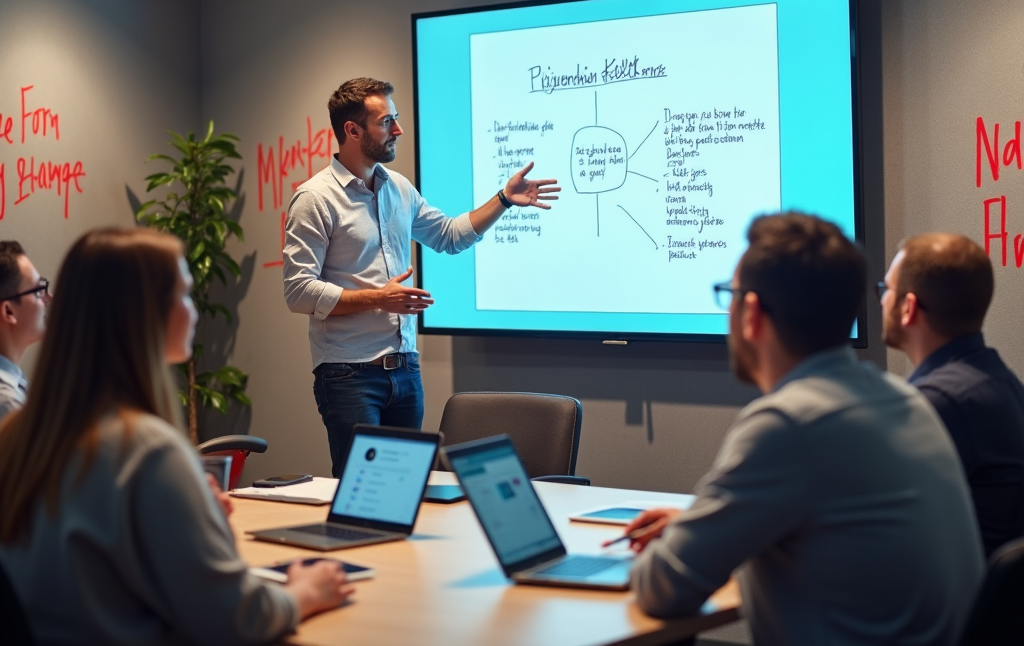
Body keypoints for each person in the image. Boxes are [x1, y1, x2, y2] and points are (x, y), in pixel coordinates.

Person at [626, 213, 984, 646]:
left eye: (730, 296)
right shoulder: (900, 397)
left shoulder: (787, 423)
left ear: (751, 312)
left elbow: (663, 589)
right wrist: (706, 526)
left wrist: (681, 546)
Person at [0, 228, 352, 645]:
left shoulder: (16, 436)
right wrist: (304, 594)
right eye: (184, 295)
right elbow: (234, 620)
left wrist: (191, 519)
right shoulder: (147, 451)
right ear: (144, 314)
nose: (196, 312)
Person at [284, 77, 559, 476]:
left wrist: (503, 200)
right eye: (386, 122)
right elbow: (298, 292)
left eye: (395, 119)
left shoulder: (398, 188)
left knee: (406, 489)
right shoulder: (315, 199)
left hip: (405, 371)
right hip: (348, 375)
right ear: (352, 130)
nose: (397, 130)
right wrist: (378, 298)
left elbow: (449, 236)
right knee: (366, 494)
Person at [881, 232, 1024, 557]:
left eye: (886, 289)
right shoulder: (1001, 381)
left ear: (908, 307)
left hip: (956, 603)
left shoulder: (937, 403)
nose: (881, 300)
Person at [0, 241, 50, 423]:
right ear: (8, 311)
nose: (48, 298)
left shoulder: (16, 381)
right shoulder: (7, 406)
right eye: (38, 291)